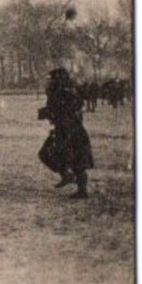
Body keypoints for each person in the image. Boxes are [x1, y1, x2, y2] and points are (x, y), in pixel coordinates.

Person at [39, 67, 93, 198]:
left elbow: (66, 109)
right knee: (69, 159)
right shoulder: (67, 91)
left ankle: (79, 188)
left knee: (73, 159)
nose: (49, 81)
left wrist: (49, 112)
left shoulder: (63, 92)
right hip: (69, 130)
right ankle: (69, 177)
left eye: (51, 79)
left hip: (69, 130)